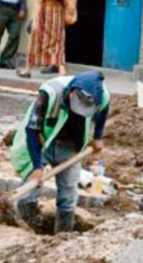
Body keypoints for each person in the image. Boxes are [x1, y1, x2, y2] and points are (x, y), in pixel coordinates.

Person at [9, 71, 109, 234]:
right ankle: (28, 231)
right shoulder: (49, 92)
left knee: (69, 193)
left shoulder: (101, 95)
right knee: (29, 189)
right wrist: (37, 167)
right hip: (43, 142)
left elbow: (104, 110)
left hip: (71, 146)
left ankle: (63, 237)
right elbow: (32, 129)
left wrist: (98, 136)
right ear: (71, 92)